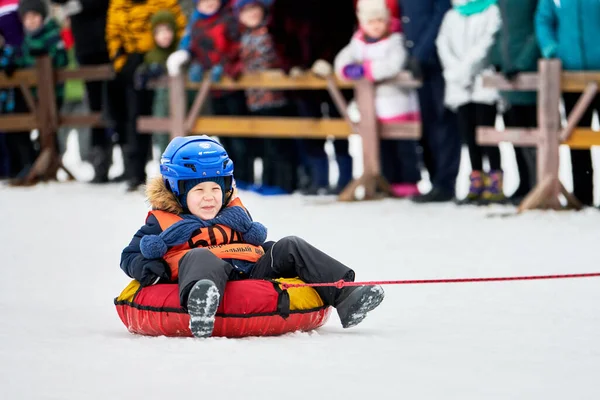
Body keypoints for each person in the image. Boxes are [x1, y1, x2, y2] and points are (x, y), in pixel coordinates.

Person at [120, 135, 385, 338]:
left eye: (216, 188)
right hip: (203, 273)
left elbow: (251, 243)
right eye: (199, 190)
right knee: (200, 255)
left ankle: (346, 297)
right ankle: (201, 305)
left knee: (290, 244)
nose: (210, 197)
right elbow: (129, 255)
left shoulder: (233, 213)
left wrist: (268, 250)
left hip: (248, 270)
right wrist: (147, 267)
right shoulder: (162, 221)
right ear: (177, 191)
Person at [335, 0, 421, 198]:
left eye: (380, 21)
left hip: (397, 104)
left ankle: (409, 181)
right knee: (382, 148)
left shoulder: (395, 41)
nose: (375, 26)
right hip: (372, 109)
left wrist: (367, 69)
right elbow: (343, 59)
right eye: (371, 22)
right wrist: (347, 69)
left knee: (404, 147)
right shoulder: (358, 42)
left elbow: (393, 64)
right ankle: (387, 180)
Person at [436, 0, 505, 205]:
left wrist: (466, 69)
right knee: (469, 134)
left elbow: (488, 42)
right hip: (459, 84)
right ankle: (476, 179)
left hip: (483, 81)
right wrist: (455, 71)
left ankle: (495, 180)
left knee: (487, 134)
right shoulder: (452, 15)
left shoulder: (492, 11)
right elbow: (443, 44)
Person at [535, 0, 600, 207]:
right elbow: (544, 20)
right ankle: (582, 195)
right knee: (575, 134)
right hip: (570, 74)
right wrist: (553, 49)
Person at [399, 0, 462, 203]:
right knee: (428, 125)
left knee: (444, 123)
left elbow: (440, 16)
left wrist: (420, 53)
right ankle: (435, 179)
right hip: (419, 66)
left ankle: (445, 183)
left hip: (438, 60)